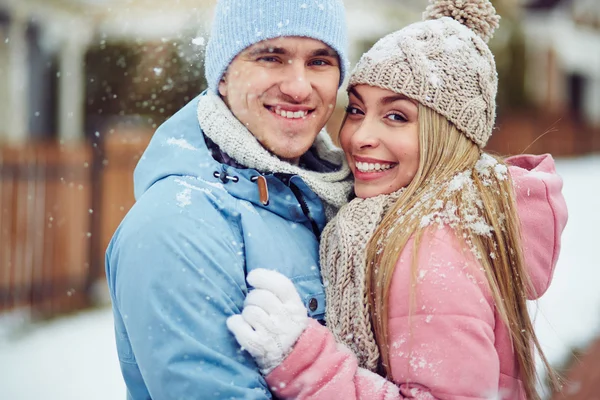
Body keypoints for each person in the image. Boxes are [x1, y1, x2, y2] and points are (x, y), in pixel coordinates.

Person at [227, 0, 569, 399]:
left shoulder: (432, 249)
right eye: (356, 110)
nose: (358, 137)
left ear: (449, 133)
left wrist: (304, 362)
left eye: (396, 117)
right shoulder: (430, 220)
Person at [104, 1, 352, 398]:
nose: (299, 86)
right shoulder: (176, 225)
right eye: (271, 57)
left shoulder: (334, 199)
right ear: (222, 76)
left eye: (320, 61)